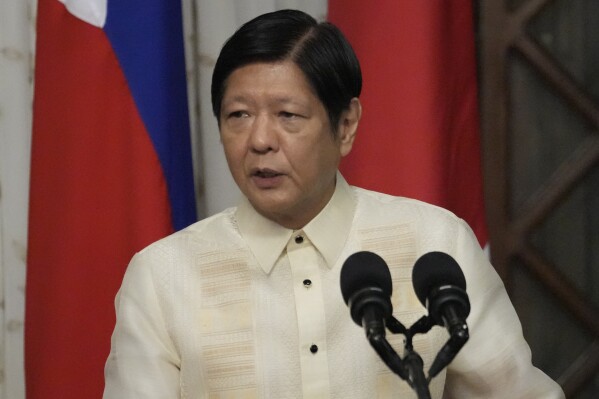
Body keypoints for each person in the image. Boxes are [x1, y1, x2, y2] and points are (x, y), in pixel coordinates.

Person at [103, 9, 565, 399]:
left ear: (345, 125)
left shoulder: (436, 245)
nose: (260, 141)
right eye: (238, 116)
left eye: (288, 116)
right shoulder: (163, 277)